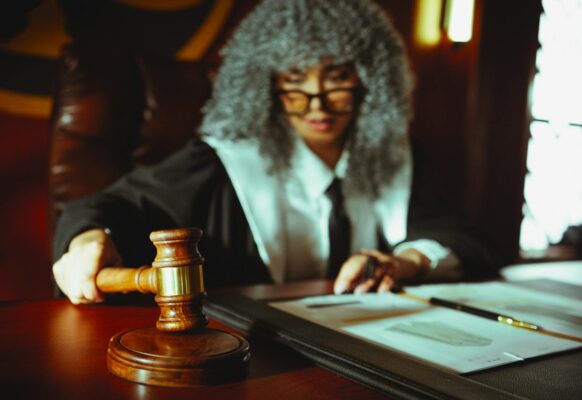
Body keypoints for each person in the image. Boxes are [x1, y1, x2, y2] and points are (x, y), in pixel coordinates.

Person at [52, 0, 501, 305]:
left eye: (337, 80)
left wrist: (404, 262)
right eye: (295, 84)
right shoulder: (221, 162)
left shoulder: (398, 157)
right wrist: (90, 239)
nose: (317, 105)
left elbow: (464, 237)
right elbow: (108, 208)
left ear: (369, 80)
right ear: (266, 86)